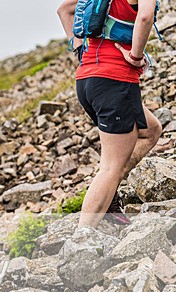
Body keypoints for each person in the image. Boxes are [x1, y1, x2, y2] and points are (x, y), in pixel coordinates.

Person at [57, 0, 163, 227]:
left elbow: (64, 10)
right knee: (110, 167)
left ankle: (108, 191)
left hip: (87, 79)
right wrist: (135, 58)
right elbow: (145, 17)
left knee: (151, 130)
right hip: (114, 81)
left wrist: (78, 47)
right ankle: (82, 239)